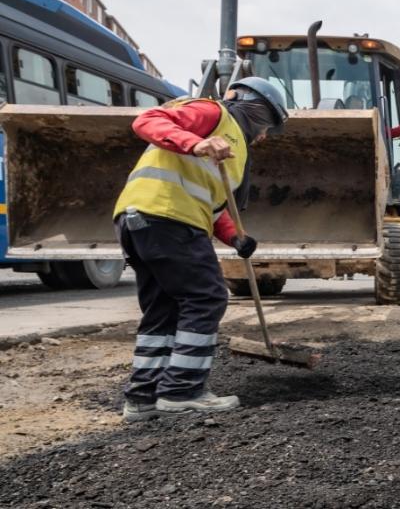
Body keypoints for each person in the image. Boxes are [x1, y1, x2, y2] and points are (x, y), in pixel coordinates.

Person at [115, 77, 289, 422]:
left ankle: (142, 398)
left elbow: (213, 206)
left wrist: (235, 237)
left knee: (162, 309)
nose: (265, 133)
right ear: (246, 102)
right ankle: (182, 390)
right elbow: (147, 120)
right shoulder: (213, 112)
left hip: (142, 220)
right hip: (168, 218)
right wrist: (196, 143)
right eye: (267, 121)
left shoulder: (231, 151)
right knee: (207, 297)